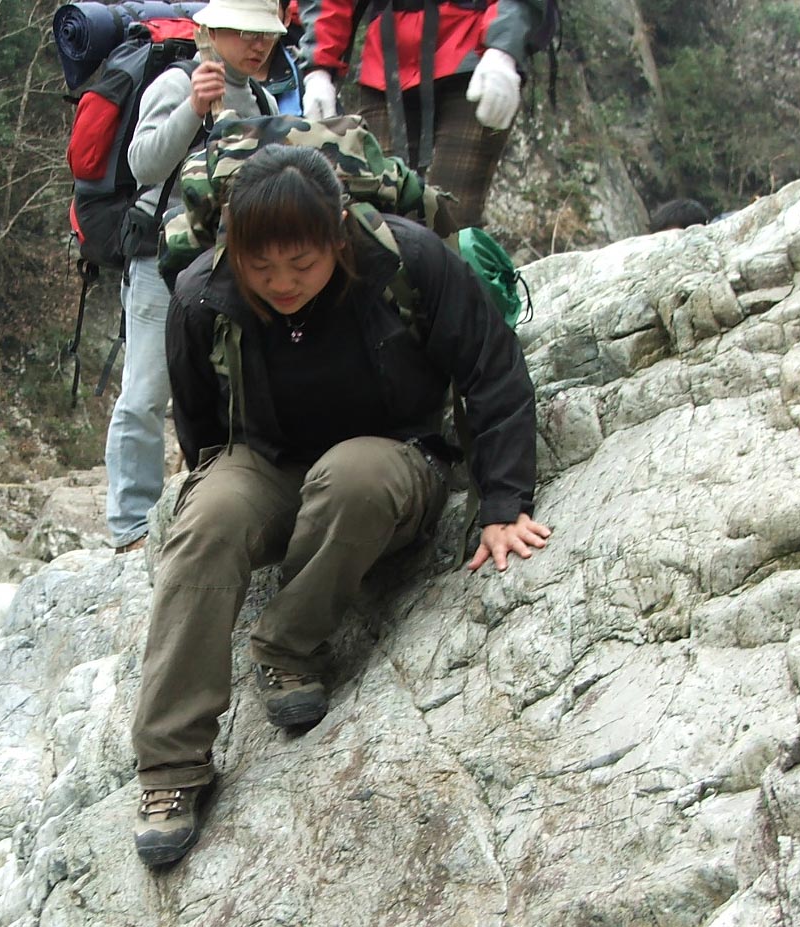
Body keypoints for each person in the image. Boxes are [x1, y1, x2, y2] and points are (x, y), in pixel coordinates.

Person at [131, 143, 551, 866]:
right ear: (233, 248)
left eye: (301, 263)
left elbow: (492, 369)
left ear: (339, 235)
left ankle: (287, 645)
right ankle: (171, 767)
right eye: (261, 266)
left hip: (389, 457)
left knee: (351, 480)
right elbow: (200, 427)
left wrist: (503, 503)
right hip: (267, 460)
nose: (281, 283)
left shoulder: (407, 262)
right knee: (210, 518)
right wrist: (227, 504)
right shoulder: (202, 293)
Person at [104, 0, 290, 554]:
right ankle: (130, 526)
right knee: (146, 390)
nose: (258, 45)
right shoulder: (175, 82)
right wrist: (192, 108)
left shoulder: (262, 99)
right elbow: (142, 165)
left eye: (266, 35)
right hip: (158, 257)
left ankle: (206, 505)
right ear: (210, 30)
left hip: (227, 264)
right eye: (245, 32)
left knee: (225, 386)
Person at [296, 0, 546, 228]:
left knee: (451, 220)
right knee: (377, 218)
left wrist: (502, 48)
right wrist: (318, 69)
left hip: (474, 56)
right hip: (385, 61)